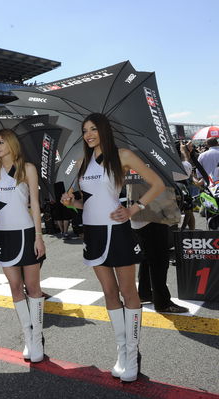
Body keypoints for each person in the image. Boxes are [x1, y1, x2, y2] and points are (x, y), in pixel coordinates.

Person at [61, 113, 164, 382]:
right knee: (108, 292)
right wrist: (70, 202)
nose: (88, 134)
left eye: (93, 129)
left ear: (104, 130)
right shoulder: (83, 162)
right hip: (92, 233)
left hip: (116, 231)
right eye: (85, 130)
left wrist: (134, 208)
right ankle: (121, 351)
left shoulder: (123, 155)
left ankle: (132, 353)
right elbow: (87, 203)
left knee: (128, 291)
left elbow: (157, 184)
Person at [0, 128, 46, 363]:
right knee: (15, 287)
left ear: (11, 144)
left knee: (33, 288)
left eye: (0, 142)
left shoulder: (27, 169)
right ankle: (28, 337)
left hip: (27, 233)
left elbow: (35, 204)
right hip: (3, 237)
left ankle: (37, 338)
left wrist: (39, 236)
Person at [128, 183, 188, 313]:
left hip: (138, 216)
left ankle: (144, 293)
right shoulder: (153, 165)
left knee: (148, 258)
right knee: (159, 262)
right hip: (153, 215)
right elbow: (180, 174)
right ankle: (163, 303)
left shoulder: (133, 165)